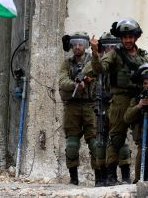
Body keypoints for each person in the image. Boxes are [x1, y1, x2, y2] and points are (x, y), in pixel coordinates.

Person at [89, 18, 148, 185]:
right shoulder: (114, 55)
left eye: (131, 37)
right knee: (117, 138)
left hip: (140, 99)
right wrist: (95, 53)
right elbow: (99, 69)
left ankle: (141, 178)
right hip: (120, 100)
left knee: (142, 139)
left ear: (136, 37)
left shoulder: (143, 56)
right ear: (121, 38)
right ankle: (110, 176)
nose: (128, 40)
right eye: (124, 37)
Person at [91, 32, 132, 186]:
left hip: (116, 105)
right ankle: (102, 177)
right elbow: (91, 71)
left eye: (113, 47)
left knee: (120, 141)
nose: (110, 50)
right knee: (100, 142)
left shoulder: (123, 61)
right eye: (107, 47)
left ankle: (125, 176)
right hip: (101, 106)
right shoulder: (98, 61)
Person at [59, 31, 98, 185]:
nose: (77, 47)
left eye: (80, 44)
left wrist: (88, 80)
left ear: (86, 45)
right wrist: (75, 85)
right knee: (72, 145)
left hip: (91, 105)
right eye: (74, 44)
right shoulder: (67, 64)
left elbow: (98, 71)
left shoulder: (92, 61)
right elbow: (62, 81)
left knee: (95, 144)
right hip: (72, 107)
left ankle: (99, 178)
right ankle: (73, 178)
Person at [124, 63, 148, 183]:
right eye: (145, 84)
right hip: (142, 139)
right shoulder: (137, 99)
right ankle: (138, 181)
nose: (147, 87)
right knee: (142, 155)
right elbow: (127, 118)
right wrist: (139, 106)